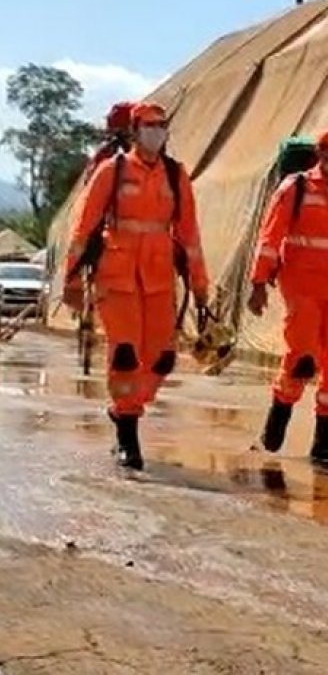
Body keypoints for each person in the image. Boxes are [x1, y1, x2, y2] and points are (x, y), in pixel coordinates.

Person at [63, 102, 209, 470]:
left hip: (158, 277)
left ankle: (126, 409)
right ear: (134, 130)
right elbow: (83, 229)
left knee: (163, 357)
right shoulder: (112, 172)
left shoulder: (175, 175)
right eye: (149, 125)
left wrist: (200, 283)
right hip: (117, 275)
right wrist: (71, 279)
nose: (156, 131)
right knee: (125, 353)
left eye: (161, 125)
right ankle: (128, 432)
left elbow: (189, 235)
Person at [248, 128, 328, 465]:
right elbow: (270, 236)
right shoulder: (296, 188)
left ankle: (326, 438)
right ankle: (278, 416)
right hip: (302, 287)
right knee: (302, 359)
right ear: (321, 155)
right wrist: (259, 282)